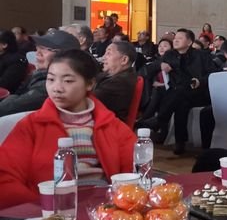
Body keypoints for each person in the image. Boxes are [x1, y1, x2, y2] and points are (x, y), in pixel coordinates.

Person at [0, 49, 136, 208]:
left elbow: (133, 174)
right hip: (47, 209)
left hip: (104, 208)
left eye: (68, 81)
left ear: (90, 84)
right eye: (51, 79)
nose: (57, 88)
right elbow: (5, 177)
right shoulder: (31, 126)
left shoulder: (112, 126)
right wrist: (40, 209)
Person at [139, 28, 218, 154]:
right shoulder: (170, 55)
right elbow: (147, 70)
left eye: (180, 38)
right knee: (181, 102)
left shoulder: (201, 56)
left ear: (189, 42)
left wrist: (200, 81)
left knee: (178, 96)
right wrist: (160, 65)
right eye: (175, 38)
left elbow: (213, 74)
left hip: (198, 92)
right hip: (178, 93)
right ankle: (179, 141)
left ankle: (160, 121)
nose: (175, 40)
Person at [0, 30, 80, 117]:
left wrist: (11, 98)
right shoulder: (38, 74)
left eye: (45, 49)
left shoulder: (51, 85)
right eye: (38, 47)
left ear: (65, 57)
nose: (38, 53)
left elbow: (8, 108)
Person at [94, 41, 137, 122]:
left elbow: (87, 100)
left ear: (124, 60)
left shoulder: (120, 83)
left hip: (107, 124)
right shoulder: (115, 75)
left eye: (108, 53)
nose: (103, 57)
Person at [138, 38, 173, 121]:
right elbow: (144, 73)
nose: (161, 48)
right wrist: (153, 82)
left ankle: (145, 118)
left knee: (157, 91)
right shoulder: (154, 60)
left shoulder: (173, 61)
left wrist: (162, 84)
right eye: (160, 46)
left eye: (165, 46)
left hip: (168, 88)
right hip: (153, 88)